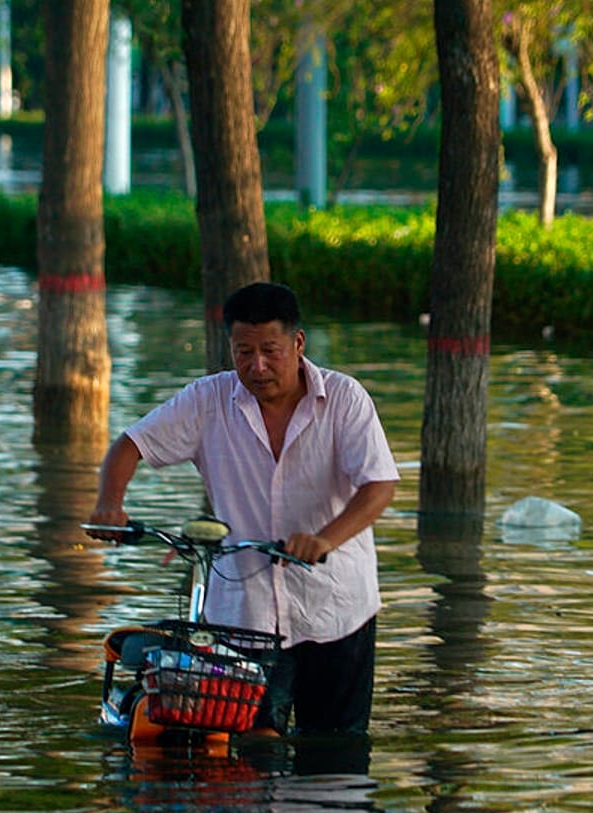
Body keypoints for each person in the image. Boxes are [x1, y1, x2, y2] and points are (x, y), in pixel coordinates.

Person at [86, 281, 399, 735]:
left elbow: (379, 485)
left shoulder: (346, 400)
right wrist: (109, 506)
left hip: (336, 609)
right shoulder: (207, 400)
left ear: (298, 343)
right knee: (243, 750)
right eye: (243, 352)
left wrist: (324, 538)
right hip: (242, 618)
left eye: (270, 350)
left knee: (335, 751)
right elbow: (129, 445)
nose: (257, 366)